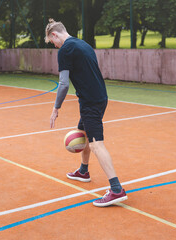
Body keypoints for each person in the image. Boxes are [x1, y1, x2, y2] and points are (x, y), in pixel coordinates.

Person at [45, 19, 127, 207]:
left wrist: (56, 108)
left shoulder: (65, 50)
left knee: (96, 144)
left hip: (90, 102)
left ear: (55, 35)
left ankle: (116, 189)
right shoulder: (83, 44)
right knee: (83, 132)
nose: (55, 46)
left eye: (53, 42)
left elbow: (64, 83)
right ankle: (83, 171)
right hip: (99, 97)